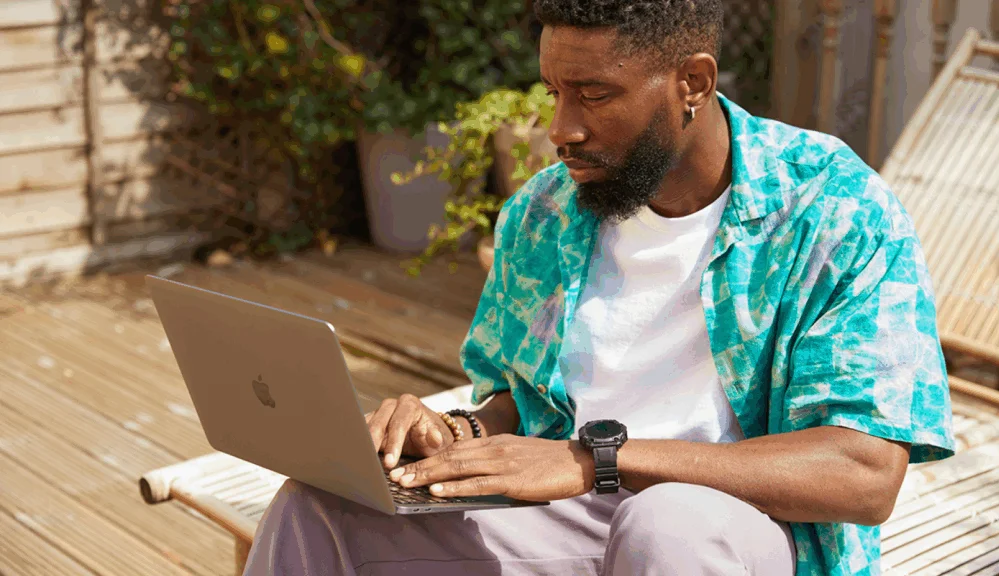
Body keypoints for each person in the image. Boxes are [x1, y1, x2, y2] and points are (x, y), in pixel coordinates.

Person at [244, 1, 956, 574]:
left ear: (693, 84)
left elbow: (864, 474)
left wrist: (593, 461)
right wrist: (453, 433)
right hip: (564, 518)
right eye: (554, 92)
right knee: (320, 509)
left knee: (666, 521)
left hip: (741, 534)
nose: (562, 129)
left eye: (594, 95)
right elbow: (519, 401)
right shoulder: (546, 211)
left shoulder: (833, 209)